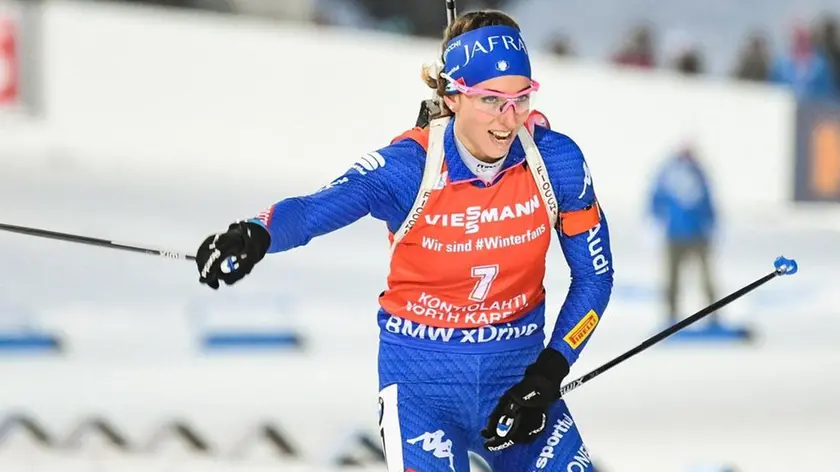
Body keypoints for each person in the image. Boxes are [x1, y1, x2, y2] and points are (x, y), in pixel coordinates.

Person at [194, 9, 613, 472]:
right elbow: (316, 208)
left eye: (521, 99)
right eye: (492, 100)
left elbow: (595, 276)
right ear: (454, 96)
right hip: (421, 387)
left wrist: (551, 370)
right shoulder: (410, 167)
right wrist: (256, 232)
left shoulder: (556, 163)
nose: (509, 118)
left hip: (518, 378)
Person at [649, 144, 718, 326]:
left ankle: (714, 315)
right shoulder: (669, 175)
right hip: (675, 235)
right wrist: (656, 221)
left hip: (699, 235)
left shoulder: (699, 174)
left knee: (706, 278)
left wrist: (712, 224)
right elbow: (656, 200)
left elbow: (709, 202)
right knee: (672, 278)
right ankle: (671, 315)